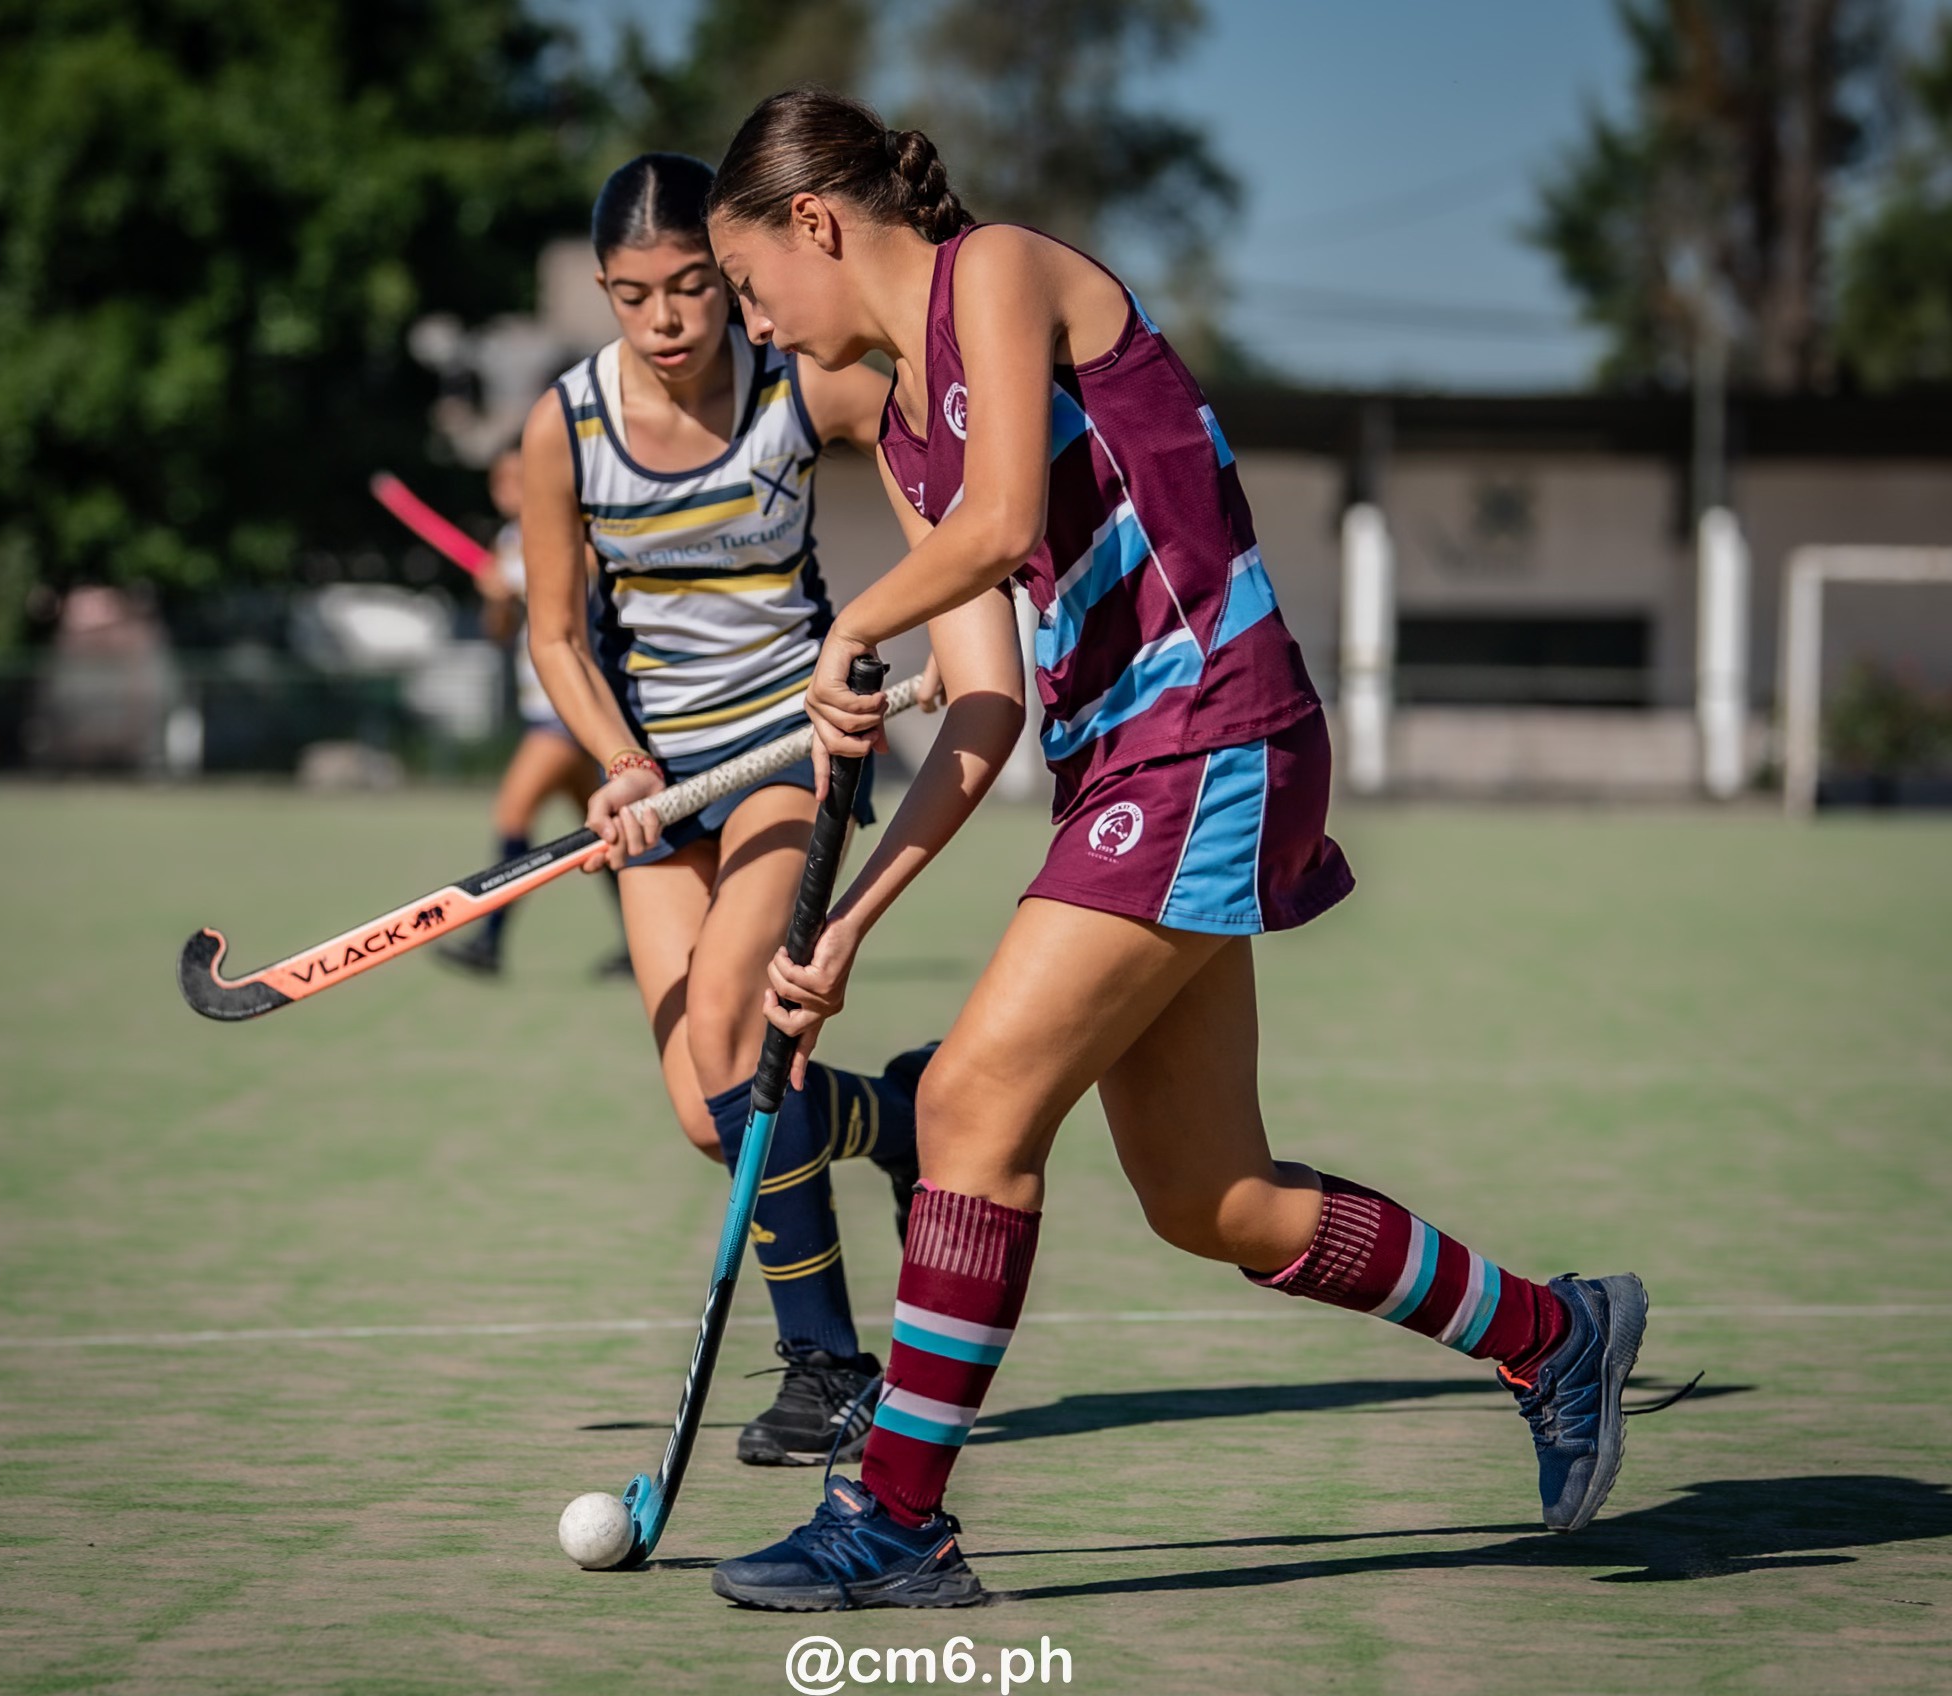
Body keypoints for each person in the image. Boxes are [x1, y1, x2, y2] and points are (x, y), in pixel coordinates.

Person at [696, 90, 1650, 1610]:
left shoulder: (991, 272)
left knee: (972, 1106)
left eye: (749, 286)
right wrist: (850, 924)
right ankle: (1558, 1336)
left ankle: (896, 1519)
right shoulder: (906, 455)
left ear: (814, 223)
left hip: (1215, 733)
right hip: (1124, 777)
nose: (756, 323)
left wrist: (861, 623)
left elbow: (1009, 513)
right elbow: (989, 708)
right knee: (1214, 1198)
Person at [518, 153, 1014, 1466]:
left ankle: (829, 1367)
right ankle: (902, 1120)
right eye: (633, 297)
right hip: (657, 779)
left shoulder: (801, 383)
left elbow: (937, 446)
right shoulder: (563, 428)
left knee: (740, 1033)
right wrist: (619, 767)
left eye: (692, 287)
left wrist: (949, 585)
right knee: (708, 1109)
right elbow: (557, 637)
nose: (669, 323)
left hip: (792, 754)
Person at [437, 449, 631, 980]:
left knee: (512, 814)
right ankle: (642, 941)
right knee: (603, 836)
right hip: (539, 705)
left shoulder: (575, 529)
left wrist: (516, 581)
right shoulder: (505, 542)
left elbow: (580, 577)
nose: (504, 486)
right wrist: (496, 596)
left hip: (569, 708)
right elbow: (501, 629)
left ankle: (488, 942)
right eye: (499, 477)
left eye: (517, 477)